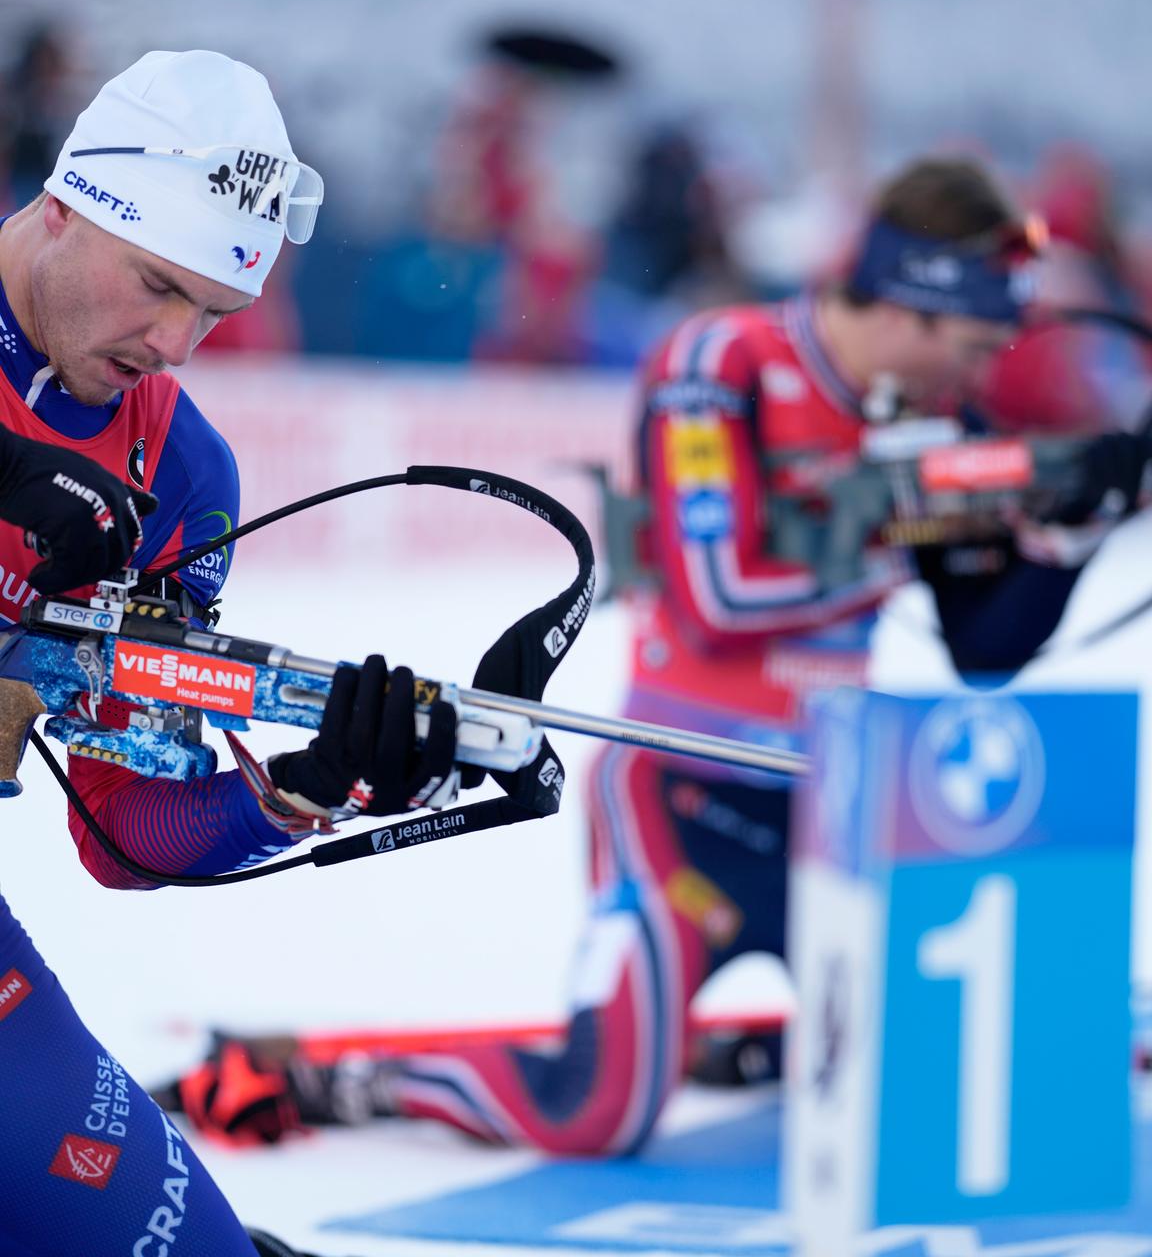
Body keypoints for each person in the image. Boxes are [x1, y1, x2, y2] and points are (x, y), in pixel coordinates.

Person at [163, 156, 1152, 1157]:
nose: (982, 376)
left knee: (1004, 1058)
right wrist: (920, 522)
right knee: (594, 1110)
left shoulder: (936, 415)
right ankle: (348, 1085)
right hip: (681, 800)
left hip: (842, 807)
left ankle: (747, 1044)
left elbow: (987, 646)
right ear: (910, 309)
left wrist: (1066, 528)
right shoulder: (723, 359)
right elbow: (719, 593)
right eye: (975, 345)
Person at [0, 49, 457, 1255]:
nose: (178, 342)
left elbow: (124, 831)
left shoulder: (184, 473)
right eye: (157, 284)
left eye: (215, 310)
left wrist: (308, 789)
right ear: (62, 206)